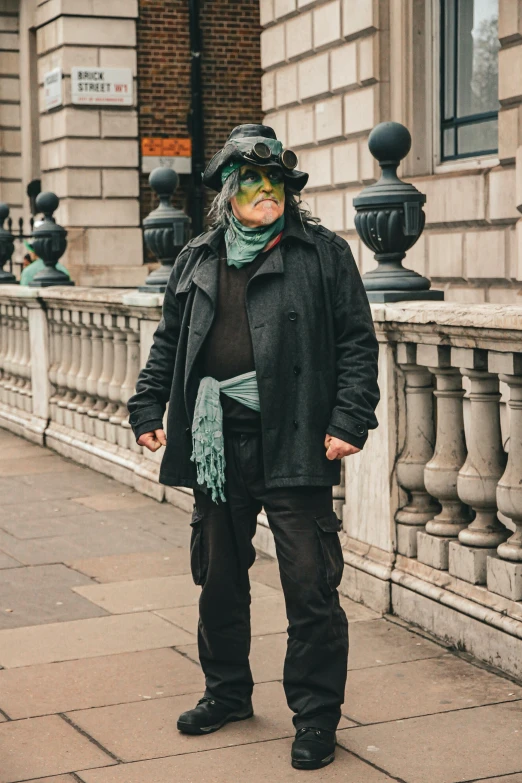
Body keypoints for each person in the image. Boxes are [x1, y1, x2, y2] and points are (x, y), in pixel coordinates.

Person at [128, 124, 380, 771]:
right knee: (217, 575)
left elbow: (356, 342)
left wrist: (351, 417)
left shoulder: (322, 254)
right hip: (218, 444)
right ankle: (227, 691)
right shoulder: (197, 258)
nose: (263, 191)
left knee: (310, 583)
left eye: (274, 182)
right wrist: (147, 404)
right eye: (249, 182)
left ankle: (317, 715)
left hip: (296, 441)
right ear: (228, 193)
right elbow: (168, 342)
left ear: (289, 191)